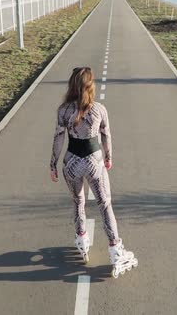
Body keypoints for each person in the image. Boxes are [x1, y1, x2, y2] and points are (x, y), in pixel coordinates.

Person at [49, 67, 138, 278]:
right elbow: (106, 135)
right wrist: (108, 157)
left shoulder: (63, 111)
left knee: (78, 201)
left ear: (72, 85)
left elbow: (59, 138)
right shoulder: (99, 109)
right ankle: (115, 249)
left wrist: (52, 164)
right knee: (104, 203)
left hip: (71, 162)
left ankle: (81, 239)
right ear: (91, 87)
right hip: (93, 162)